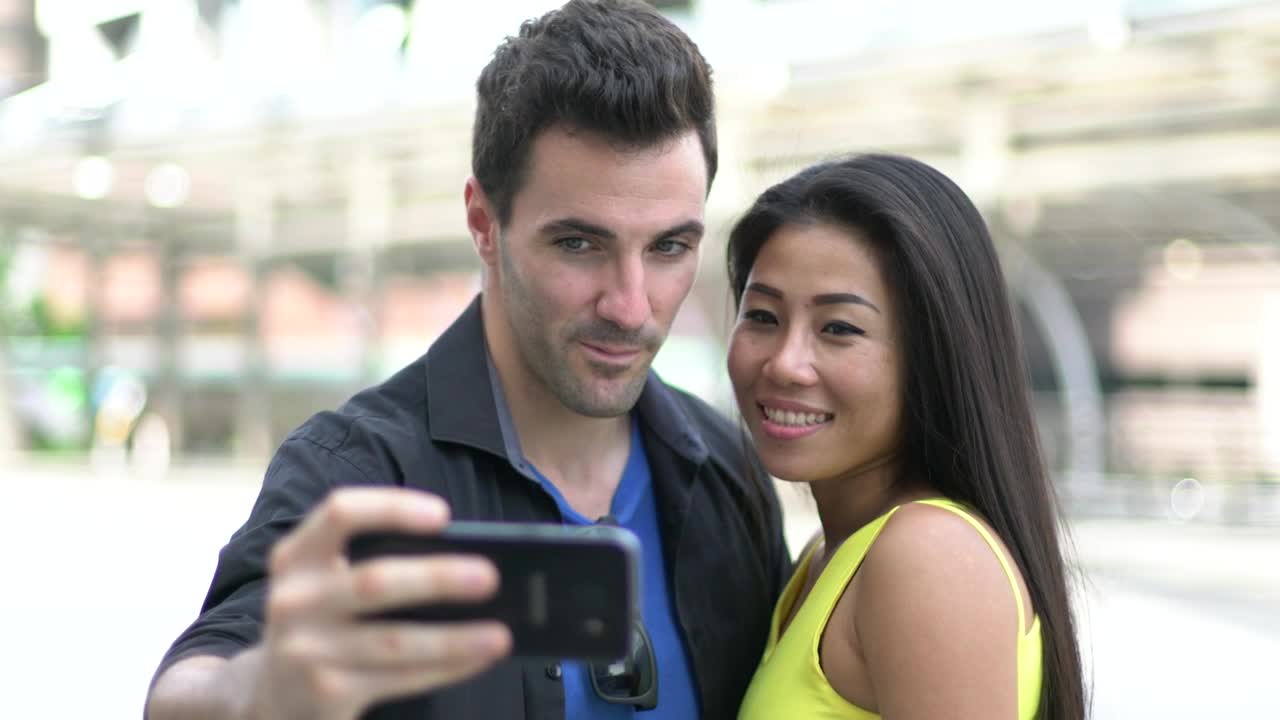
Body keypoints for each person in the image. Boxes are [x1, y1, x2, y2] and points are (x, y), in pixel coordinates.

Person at [144, 2, 791, 719]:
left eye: (669, 247)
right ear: (484, 224)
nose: (631, 306)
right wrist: (253, 690)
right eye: (579, 244)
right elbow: (194, 683)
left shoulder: (730, 471)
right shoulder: (355, 473)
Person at [726, 154, 1087, 719]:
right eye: (763, 316)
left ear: (933, 355)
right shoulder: (824, 558)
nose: (785, 364)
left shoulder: (926, 556)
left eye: (839, 328)